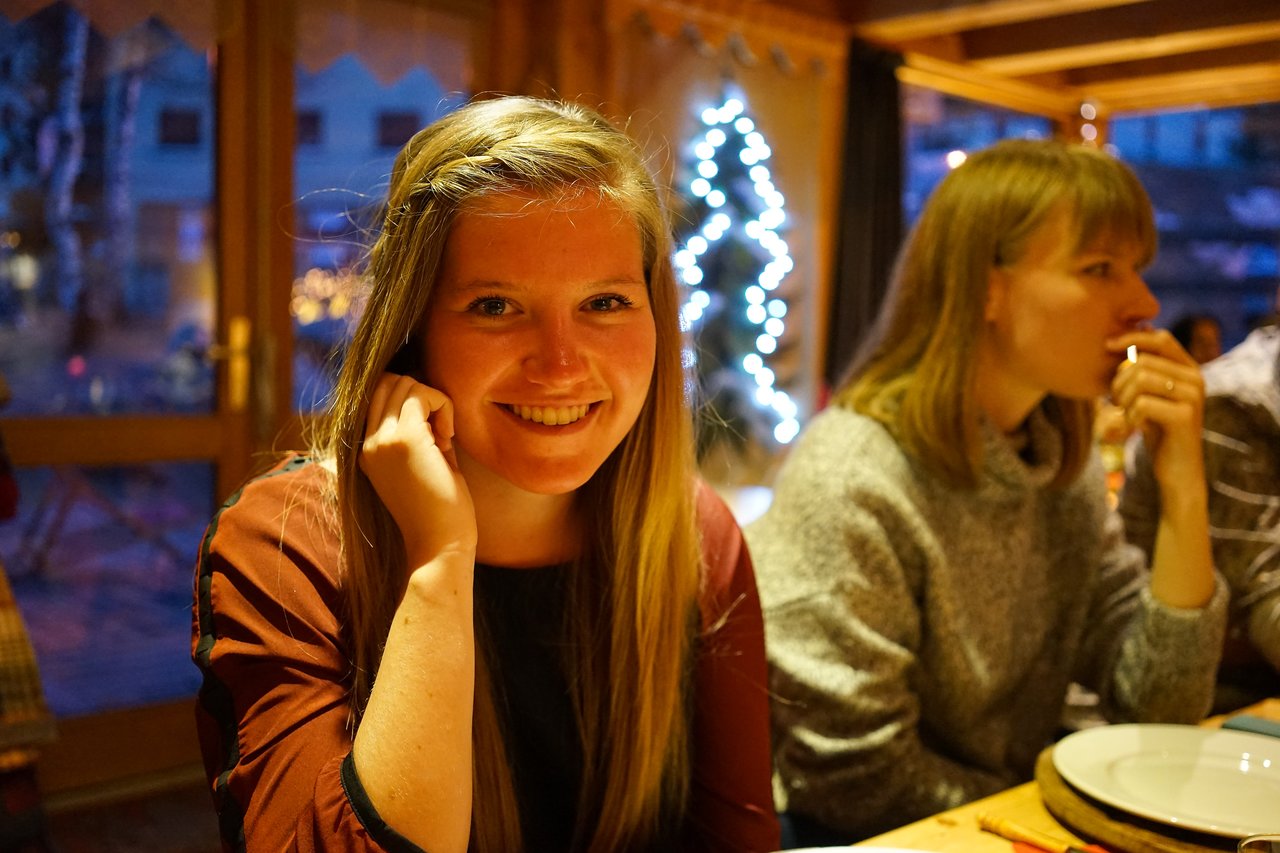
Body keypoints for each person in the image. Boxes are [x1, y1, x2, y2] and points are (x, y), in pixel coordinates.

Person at [191, 96, 779, 853]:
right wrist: (439, 559)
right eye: (495, 306)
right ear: (412, 331)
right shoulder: (281, 544)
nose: (560, 365)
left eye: (604, 302)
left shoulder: (694, 533)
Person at [746, 139, 1228, 844]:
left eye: (1138, 270)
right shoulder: (855, 475)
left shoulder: (1058, 463)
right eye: (1099, 269)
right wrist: (1057, 814)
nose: (1145, 303)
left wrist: (1184, 489)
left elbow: (1158, 708)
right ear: (985, 288)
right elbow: (853, 782)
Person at [1121, 290, 1280, 712]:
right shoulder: (1233, 403)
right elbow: (1264, 595)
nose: (1146, 305)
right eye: (1099, 268)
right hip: (1225, 692)